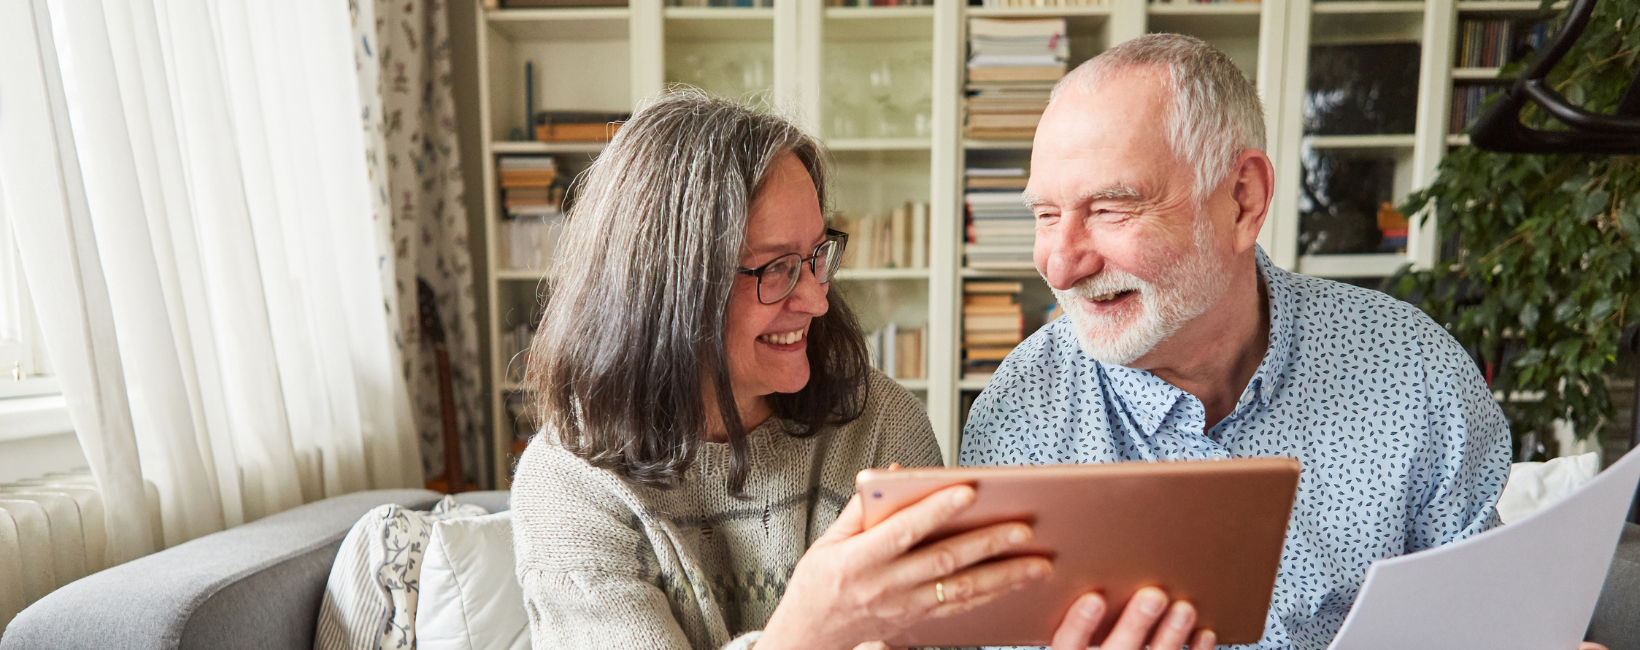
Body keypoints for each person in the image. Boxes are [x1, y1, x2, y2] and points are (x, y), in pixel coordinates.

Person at [509, 91, 1197, 650]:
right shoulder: (568, 484)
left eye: (817, 256)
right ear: (665, 288)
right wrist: (811, 628)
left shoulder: (879, 426)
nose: (815, 297)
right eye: (776, 268)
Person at [959, 33, 1526, 649]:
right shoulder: (1021, 411)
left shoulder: (1413, 369)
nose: (1060, 265)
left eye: (1111, 209)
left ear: (1241, 200)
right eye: (1045, 215)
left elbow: (1481, 619)